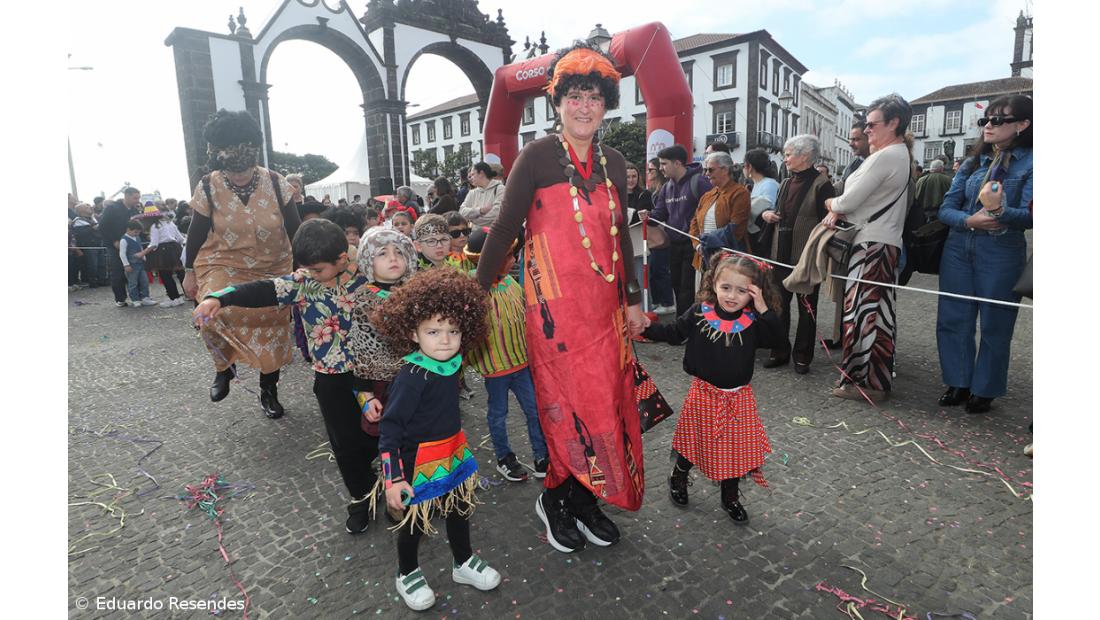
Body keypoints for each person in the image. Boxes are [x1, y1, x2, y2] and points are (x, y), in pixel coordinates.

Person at [476, 41, 647, 554]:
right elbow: (505, 227)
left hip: (605, 311)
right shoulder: (535, 157)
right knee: (563, 407)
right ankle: (556, 498)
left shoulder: (616, 162)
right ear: (557, 101)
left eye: (594, 96)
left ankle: (588, 495)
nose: (584, 106)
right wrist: (474, 295)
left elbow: (622, 237)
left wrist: (635, 300)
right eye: (574, 96)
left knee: (606, 405)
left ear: (606, 104)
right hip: (552, 311)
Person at [191, 218, 381, 534]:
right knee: (345, 444)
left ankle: (384, 478)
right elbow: (262, 289)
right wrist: (219, 297)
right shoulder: (303, 283)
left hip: (372, 374)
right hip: (331, 378)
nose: (310, 274)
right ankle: (362, 496)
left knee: (376, 435)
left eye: (318, 269)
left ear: (342, 259)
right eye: (305, 268)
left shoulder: (366, 279)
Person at [371, 268, 500, 611]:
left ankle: (463, 562)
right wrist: (393, 477)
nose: (445, 339)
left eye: (453, 331)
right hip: (417, 462)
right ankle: (407, 572)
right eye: (433, 331)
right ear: (412, 333)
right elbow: (390, 428)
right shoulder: (412, 376)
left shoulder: (452, 363)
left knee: (460, 510)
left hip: (452, 452)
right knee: (414, 523)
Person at [642, 254, 783, 523]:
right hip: (703, 395)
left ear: (753, 292)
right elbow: (673, 333)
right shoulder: (698, 312)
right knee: (693, 442)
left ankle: (729, 496)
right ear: (714, 283)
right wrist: (647, 328)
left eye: (742, 290)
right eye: (726, 287)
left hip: (738, 399)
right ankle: (679, 477)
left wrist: (763, 306)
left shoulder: (755, 321)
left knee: (734, 450)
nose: (732, 296)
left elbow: (777, 340)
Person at [181, 109, 302, 418]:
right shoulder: (208, 185)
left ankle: (268, 389)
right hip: (223, 260)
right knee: (210, 310)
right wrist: (188, 271)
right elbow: (194, 234)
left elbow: (297, 231)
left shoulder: (277, 183)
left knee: (272, 329)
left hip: (274, 265)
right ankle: (224, 366)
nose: (239, 177)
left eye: (245, 171)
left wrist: (305, 269)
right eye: (232, 173)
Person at [935, 95, 1032, 414]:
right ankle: (958, 381)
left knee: (996, 322)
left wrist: (1000, 210)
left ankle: (985, 388)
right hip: (959, 247)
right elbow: (945, 209)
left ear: (1022, 125)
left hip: (1001, 250)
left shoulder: (1033, 162)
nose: (988, 125)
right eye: (985, 120)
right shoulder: (971, 162)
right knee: (953, 316)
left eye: (998, 120)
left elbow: (1031, 216)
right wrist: (968, 220)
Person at [823, 94, 914, 402]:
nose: (867, 130)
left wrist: (831, 203)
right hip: (881, 242)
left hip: (873, 244)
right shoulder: (898, 154)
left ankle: (866, 383)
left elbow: (848, 201)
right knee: (875, 312)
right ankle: (872, 379)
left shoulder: (888, 155)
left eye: (872, 124)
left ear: (894, 123)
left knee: (864, 313)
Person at [463, 227, 549, 482]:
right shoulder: (472, 289)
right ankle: (504, 457)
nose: (513, 259)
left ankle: (542, 455)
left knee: (534, 410)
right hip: (496, 370)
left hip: (521, 365)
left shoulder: (511, 283)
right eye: (507, 255)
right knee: (498, 414)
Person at [347, 227, 419, 525]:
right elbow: (360, 349)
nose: (393, 258)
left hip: (416, 380)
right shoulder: (363, 298)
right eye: (383, 253)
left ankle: (420, 491)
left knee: (416, 440)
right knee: (388, 443)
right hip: (382, 385)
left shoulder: (417, 290)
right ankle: (395, 498)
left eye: (399, 252)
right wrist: (364, 395)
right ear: (367, 261)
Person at [760, 134, 836, 374]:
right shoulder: (785, 183)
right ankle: (780, 351)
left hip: (805, 258)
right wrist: (767, 215)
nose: (785, 159)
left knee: (807, 309)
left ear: (804, 156)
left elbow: (831, 219)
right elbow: (779, 211)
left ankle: (803, 356)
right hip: (779, 255)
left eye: (788, 154)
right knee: (778, 307)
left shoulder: (823, 184)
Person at [650, 144, 713, 317]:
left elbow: (711, 209)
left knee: (687, 286)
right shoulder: (666, 187)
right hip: (674, 244)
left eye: (663, 164)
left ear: (677, 163)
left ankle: (683, 326)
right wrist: (646, 216)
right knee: (677, 284)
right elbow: (659, 213)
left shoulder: (699, 181)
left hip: (693, 244)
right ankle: (683, 322)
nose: (660, 168)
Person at [688, 151, 750, 273]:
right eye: (705, 170)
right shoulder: (707, 196)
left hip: (728, 259)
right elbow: (694, 223)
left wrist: (708, 242)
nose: (706, 174)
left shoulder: (740, 193)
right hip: (703, 258)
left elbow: (736, 228)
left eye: (710, 170)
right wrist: (698, 245)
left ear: (725, 170)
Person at [99, 187, 144, 307]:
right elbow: (103, 226)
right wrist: (113, 241)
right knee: (118, 271)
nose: (137, 200)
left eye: (138, 198)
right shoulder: (112, 208)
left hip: (133, 245)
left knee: (136, 270)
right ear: (126, 196)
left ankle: (139, 296)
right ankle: (120, 298)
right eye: (135, 198)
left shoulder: (135, 210)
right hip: (115, 245)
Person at [645, 157, 675, 314]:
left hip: (663, 234)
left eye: (651, 170)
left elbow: (663, 213)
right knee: (654, 269)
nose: (648, 173)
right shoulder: (654, 190)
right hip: (656, 233)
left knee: (660, 269)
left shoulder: (663, 189)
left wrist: (651, 216)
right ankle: (659, 301)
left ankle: (668, 302)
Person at [625, 162, 654, 312]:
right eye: (628, 176)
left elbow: (640, 216)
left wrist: (626, 214)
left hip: (639, 245)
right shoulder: (617, 195)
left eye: (634, 176)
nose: (631, 180)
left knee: (641, 283)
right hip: (622, 247)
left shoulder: (644, 194)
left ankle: (644, 312)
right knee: (626, 284)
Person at [143, 208, 188, 307]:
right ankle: (188, 294)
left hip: (162, 251)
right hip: (175, 248)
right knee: (181, 273)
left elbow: (154, 244)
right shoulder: (170, 223)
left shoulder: (155, 226)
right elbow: (180, 239)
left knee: (166, 275)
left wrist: (143, 253)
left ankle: (174, 298)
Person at [743, 148, 780, 257]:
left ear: (749, 167)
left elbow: (767, 207)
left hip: (762, 238)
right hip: (754, 236)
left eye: (743, 166)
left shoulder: (769, 184)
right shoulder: (757, 185)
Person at [119, 220, 159, 307]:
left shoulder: (137, 237)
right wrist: (126, 265)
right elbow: (122, 253)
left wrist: (143, 257)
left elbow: (140, 248)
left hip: (140, 264)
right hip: (131, 265)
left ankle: (145, 297)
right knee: (133, 283)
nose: (137, 233)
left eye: (138, 232)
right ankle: (135, 299)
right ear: (128, 229)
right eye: (135, 232)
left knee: (144, 281)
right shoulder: (124, 240)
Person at [71, 202, 108, 288]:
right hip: (89, 245)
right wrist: (93, 228)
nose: (90, 207)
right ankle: (92, 281)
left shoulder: (93, 218)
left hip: (98, 244)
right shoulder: (78, 220)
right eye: (87, 206)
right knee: (92, 264)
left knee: (101, 263)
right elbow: (81, 233)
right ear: (81, 210)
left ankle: (102, 280)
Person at [458, 162, 505, 228]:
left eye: (473, 174)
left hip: (494, 233)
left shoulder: (500, 189)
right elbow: (461, 212)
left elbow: (496, 213)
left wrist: (473, 219)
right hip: (475, 233)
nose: (471, 178)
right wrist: (480, 210)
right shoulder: (472, 192)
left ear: (481, 173)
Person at [914, 158, 953, 222]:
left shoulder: (921, 180)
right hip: (942, 214)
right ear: (941, 168)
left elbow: (916, 197)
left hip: (924, 214)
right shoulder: (948, 180)